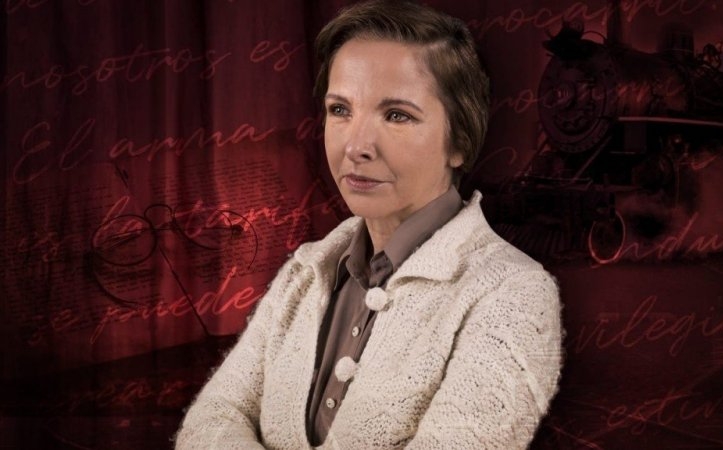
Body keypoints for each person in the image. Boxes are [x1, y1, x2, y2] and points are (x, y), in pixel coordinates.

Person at [175, 1, 562, 448]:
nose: (355, 145)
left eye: (397, 115)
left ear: (460, 140)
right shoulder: (305, 271)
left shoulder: (514, 293)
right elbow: (210, 419)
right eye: (340, 109)